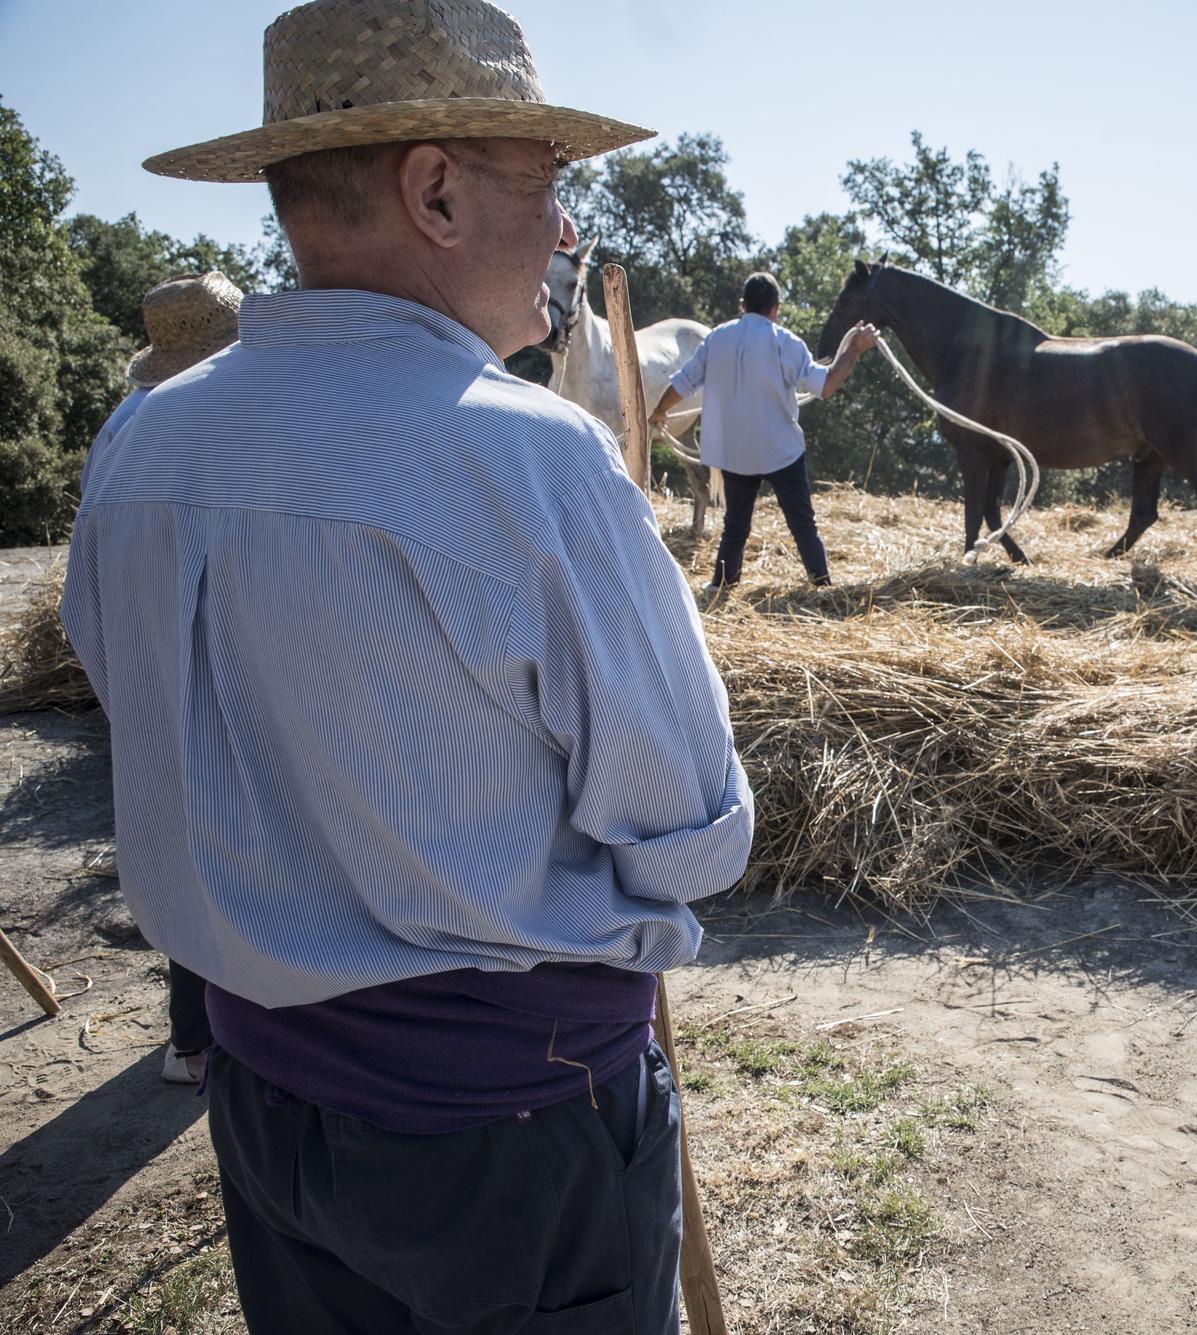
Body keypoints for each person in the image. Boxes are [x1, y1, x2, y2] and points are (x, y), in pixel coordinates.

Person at [62, 3, 748, 1331]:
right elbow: (685, 838)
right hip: (514, 1125)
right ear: (433, 188)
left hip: (264, 1103)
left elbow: (144, 725)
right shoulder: (530, 457)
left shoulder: (140, 445)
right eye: (545, 188)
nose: (564, 233)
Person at [96, 269, 247, 1085]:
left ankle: (192, 1034)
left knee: (182, 838)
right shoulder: (231, 423)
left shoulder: (122, 430)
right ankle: (214, 1032)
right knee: (227, 839)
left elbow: (88, 581)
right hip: (221, 663)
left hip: (146, 661)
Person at [648, 272, 879, 594]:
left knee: (735, 526)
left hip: (734, 452)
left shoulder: (716, 339)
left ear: (742, 305)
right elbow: (826, 385)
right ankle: (822, 585)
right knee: (802, 523)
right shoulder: (785, 342)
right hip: (780, 450)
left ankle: (722, 584)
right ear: (776, 308)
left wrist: (660, 410)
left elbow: (682, 383)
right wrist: (854, 349)